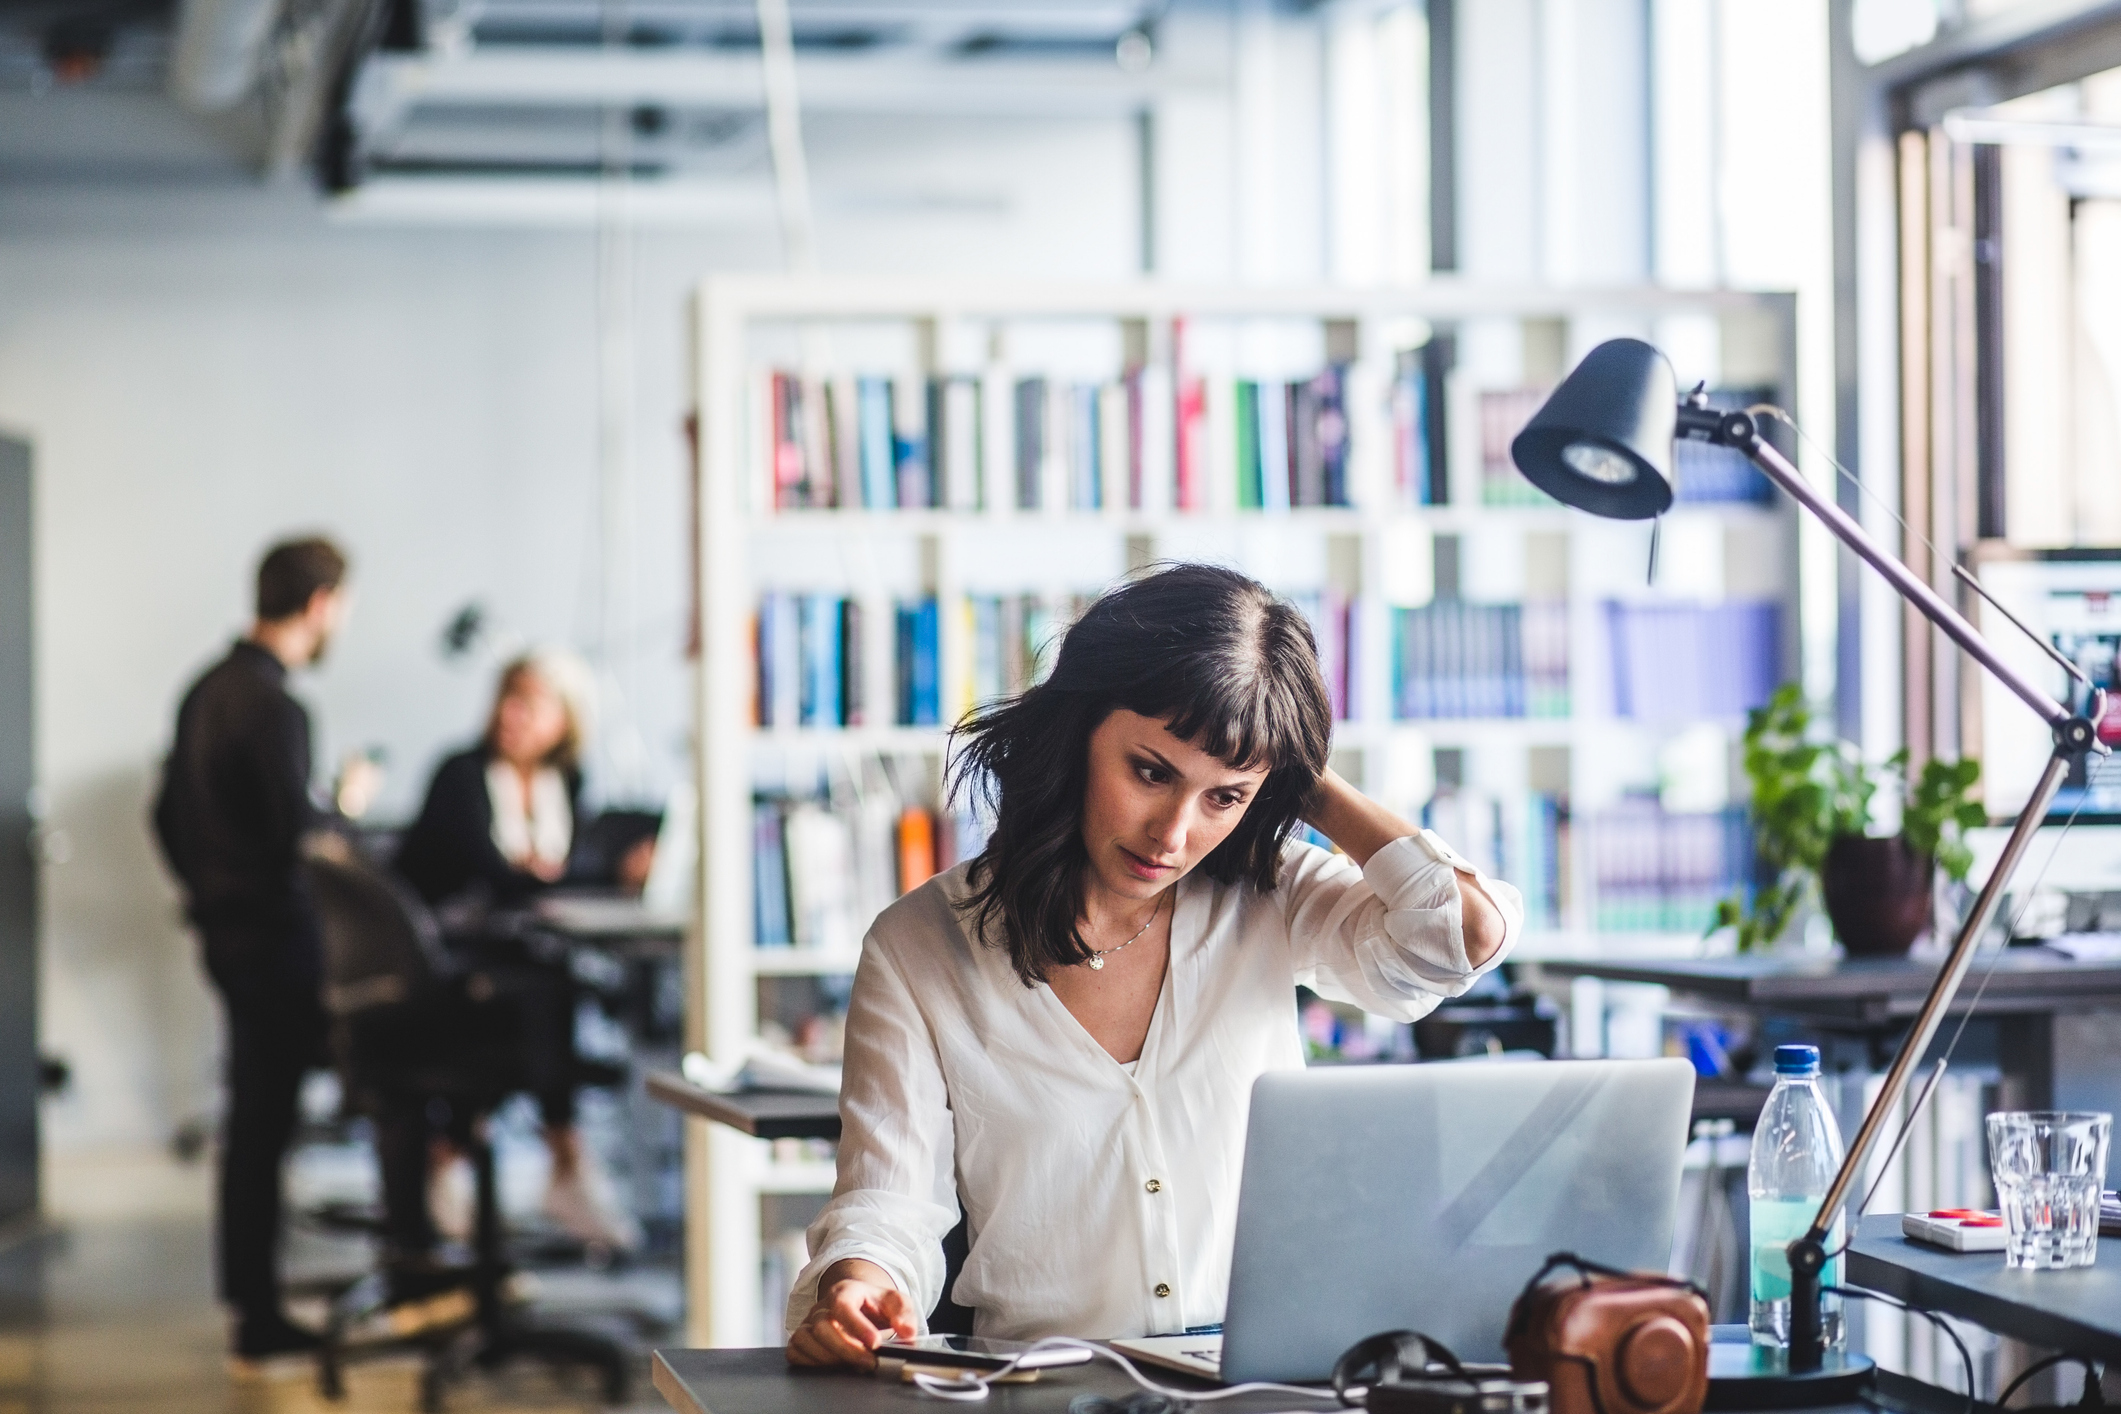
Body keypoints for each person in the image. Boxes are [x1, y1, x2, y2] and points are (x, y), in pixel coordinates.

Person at [784, 564, 1522, 1367]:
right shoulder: (919, 946)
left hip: (1262, 1379)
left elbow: (1459, 936)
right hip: (1046, 1383)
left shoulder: (1269, 890)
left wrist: (1294, 772)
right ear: (1077, 733)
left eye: (1224, 798)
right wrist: (857, 1282)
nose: (1173, 833)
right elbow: (888, 1199)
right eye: (1151, 772)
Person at [152, 535, 349, 1363]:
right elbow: (294, 837)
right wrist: (341, 808)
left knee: (253, 1122)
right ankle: (260, 1319)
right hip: (274, 941)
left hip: (226, 934)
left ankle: (251, 1302)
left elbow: (163, 815)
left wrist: (204, 889)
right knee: (265, 1124)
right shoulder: (275, 706)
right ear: (319, 605)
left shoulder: (206, 688)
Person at [392, 652, 642, 1252]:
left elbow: (554, 874)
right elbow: (493, 875)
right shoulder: (460, 774)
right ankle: (546, 1160)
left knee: (548, 983)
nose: (512, 713)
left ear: (565, 719)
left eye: (530, 701)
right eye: (507, 696)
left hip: (516, 958)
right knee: (539, 995)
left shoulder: (569, 781)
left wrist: (601, 866)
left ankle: (484, 1157)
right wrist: (596, 868)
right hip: (441, 963)